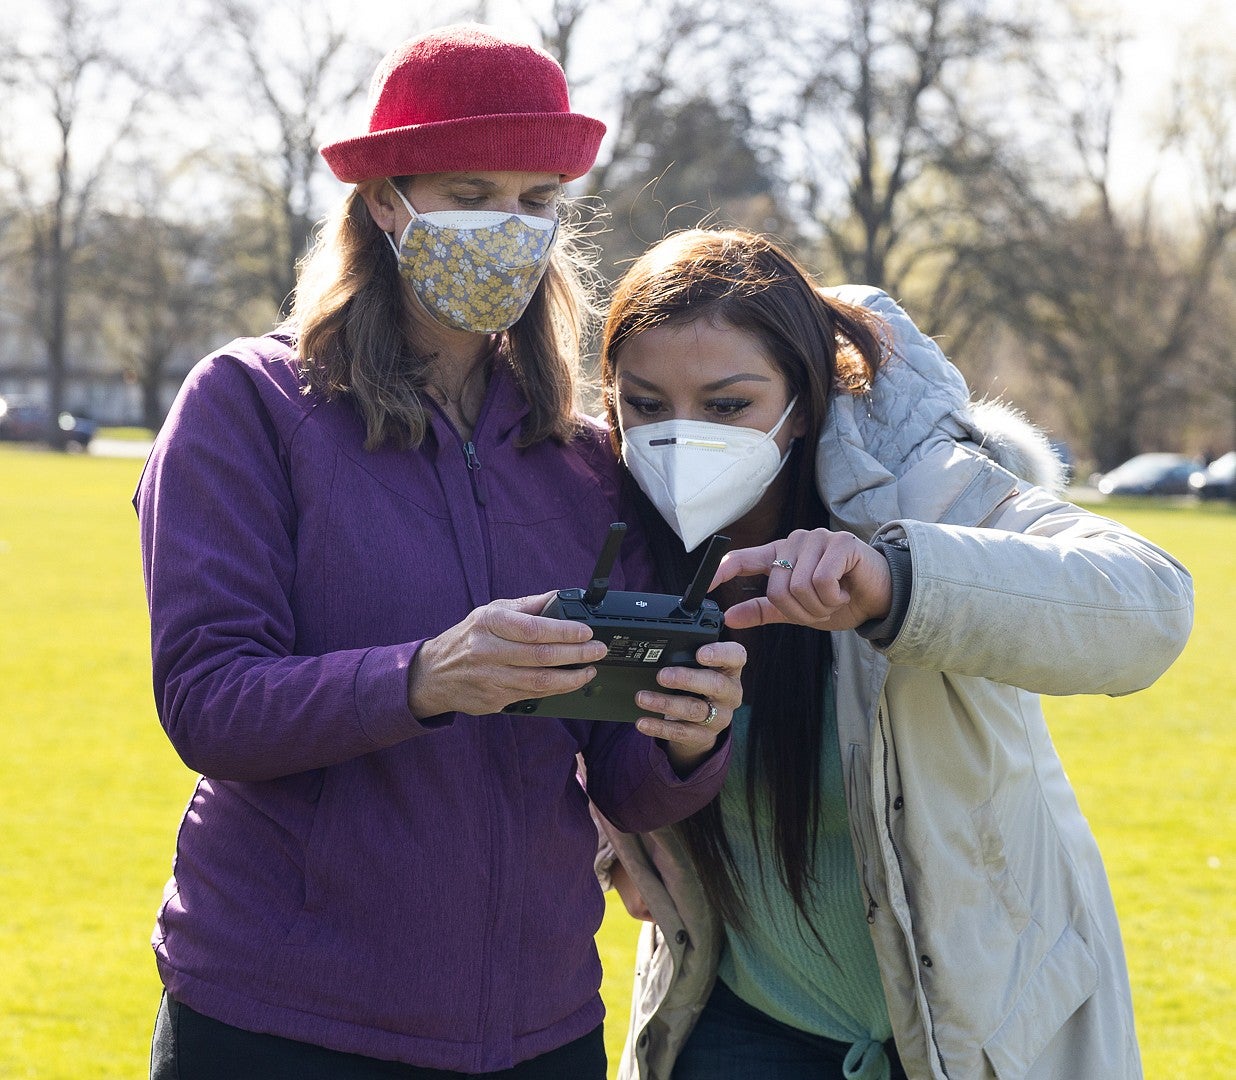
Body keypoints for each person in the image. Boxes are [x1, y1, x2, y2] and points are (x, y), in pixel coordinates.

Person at [134, 27, 744, 1080]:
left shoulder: (588, 455)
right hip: (284, 1021)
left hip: (541, 1028)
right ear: (384, 200)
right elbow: (208, 704)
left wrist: (690, 738)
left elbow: (628, 785)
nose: (510, 228)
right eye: (472, 192)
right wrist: (425, 677)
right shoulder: (249, 406)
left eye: (536, 201)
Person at [593, 228, 1194, 1080]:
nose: (682, 439)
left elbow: (1152, 607)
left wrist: (899, 583)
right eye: (647, 405)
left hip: (972, 1034)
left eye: (728, 406)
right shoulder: (611, 523)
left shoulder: (934, 487)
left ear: (801, 401)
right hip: (735, 1022)